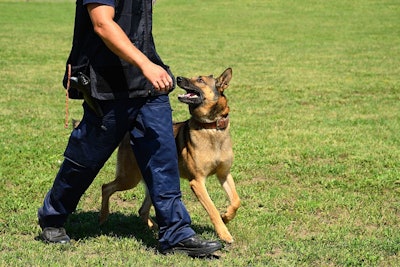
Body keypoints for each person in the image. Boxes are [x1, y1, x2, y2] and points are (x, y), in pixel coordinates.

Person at [37, 0, 222, 257]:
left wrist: (149, 66)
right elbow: (102, 23)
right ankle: (53, 217)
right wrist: (146, 65)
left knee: (163, 157)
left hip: (149, 87)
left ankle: (176, 233)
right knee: (86, 158)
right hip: (108, 85)